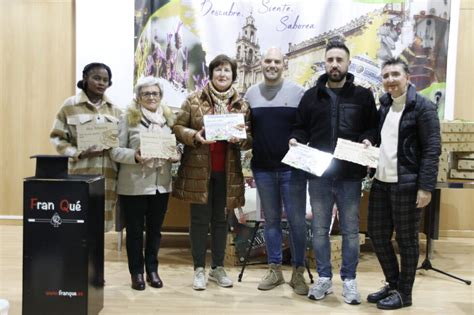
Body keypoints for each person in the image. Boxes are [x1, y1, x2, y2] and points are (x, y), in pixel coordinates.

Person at [290, 40, 378, 304]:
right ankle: (324, 278)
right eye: (330, 60)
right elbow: (301, 127)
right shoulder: (310, 96)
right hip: (318, 175)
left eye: (340, 60)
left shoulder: (362, 96)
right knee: (319, 230)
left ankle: (349, 280)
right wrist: (295, 138)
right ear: (325, 63)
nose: (335, 64)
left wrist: (368, 139)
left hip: (350, 176)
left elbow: (372, 127)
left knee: (351, 231)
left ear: (348, 64)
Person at [173, 54, 252, 290]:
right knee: (198, 220)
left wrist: (240, 139)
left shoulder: (242, 105)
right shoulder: (193, 99)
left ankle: (217, 268)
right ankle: (199, 268)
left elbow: (249, 140)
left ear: (233, 75)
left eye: (227, 70)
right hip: (199, 170)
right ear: (211, 73)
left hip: (226, 172)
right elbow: (177, 127)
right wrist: (193, 136)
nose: (222, 74)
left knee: (220, 220)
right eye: (218, 70)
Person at [367, 57, 440, 310]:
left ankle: (404, 294)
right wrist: (369, 143)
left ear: (407, 77)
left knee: (407, 241)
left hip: (407, 185)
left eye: (395, 74)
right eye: (385, 76)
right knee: (377, 235)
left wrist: (426, 187)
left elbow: (432, 150)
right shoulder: (385, 106)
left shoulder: (423, 108)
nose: (390, 80)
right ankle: (393, 283)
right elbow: (382, 140)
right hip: (381, 182)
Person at [244, 47, 308, 294]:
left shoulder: (298, 93)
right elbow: (245, 130)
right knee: (270, 221)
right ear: (261, 63)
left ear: (285, 64)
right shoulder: (250, 94)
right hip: (263, 169)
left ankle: (299, 273)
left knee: (297, 222)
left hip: (293, 170)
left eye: (276, 61)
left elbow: (304, 127)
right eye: (268, 60)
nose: (272, 65)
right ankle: (275, 271)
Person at [110, 76, 179, 291]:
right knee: (134, 231)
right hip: (134, 185)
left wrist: (177, 154)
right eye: (146, 93)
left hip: (161, 184)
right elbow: (114, 151)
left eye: (155, 93)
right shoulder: (127, 118)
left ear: (161, 96)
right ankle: (136, 272)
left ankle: (152, 269)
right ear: (138, 97)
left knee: (155, 231)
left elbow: (176, 147)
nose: (151, 97)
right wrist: (135, 156)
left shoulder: (169, 119)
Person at [50, 62, 122, 232]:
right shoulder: (70, 106)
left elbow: (121, 143)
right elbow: (57, 138)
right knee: (77, 224)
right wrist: (78, 153)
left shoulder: (116, 111)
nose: (101, 83)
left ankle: (96, 260)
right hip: (79, 175)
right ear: (85, 78)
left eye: (105, 80)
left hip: (108, 178)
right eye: (96, 78)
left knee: (100, 228)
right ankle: (75, 259)